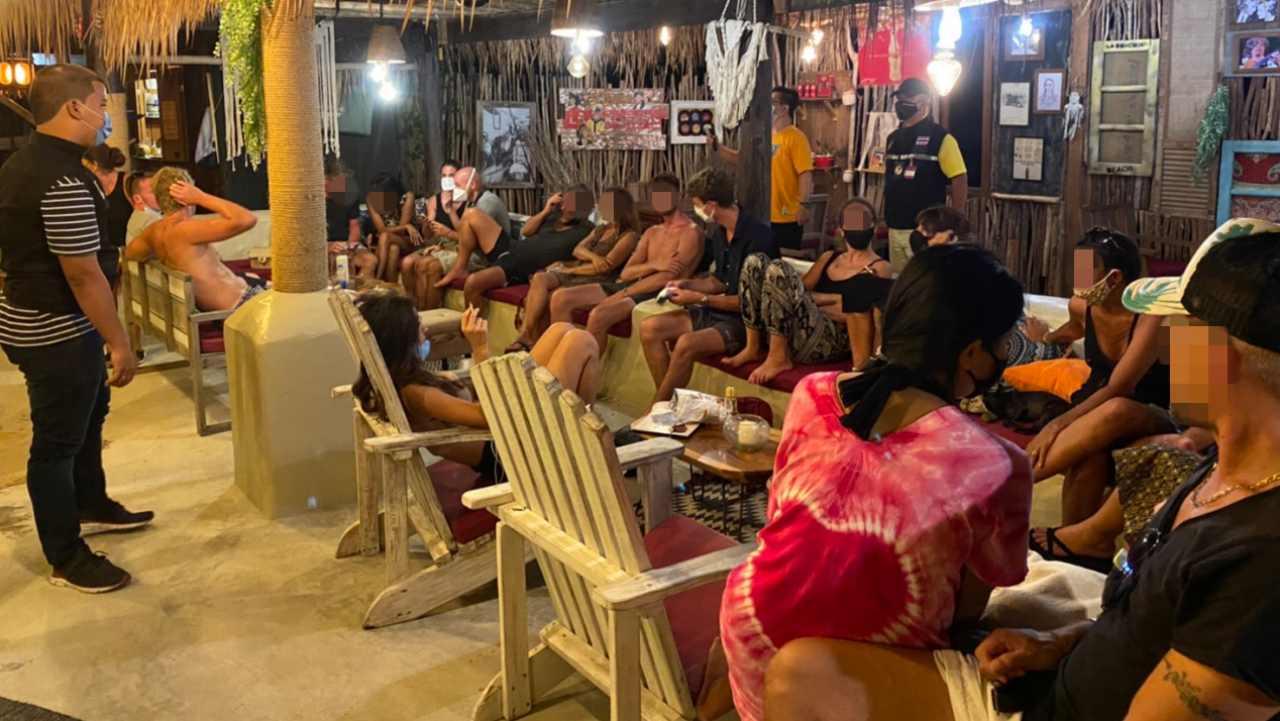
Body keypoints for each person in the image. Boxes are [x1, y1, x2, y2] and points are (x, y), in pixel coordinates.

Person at [762, 220, 1280, 721]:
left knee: (796, 673)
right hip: (1058, 673)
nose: (1166, 346)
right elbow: (1145, 625)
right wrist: (1057, 643)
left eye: (1180, 331)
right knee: (803, 667)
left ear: (1221, 358)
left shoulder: (1260, 561)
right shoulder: (1218, 477)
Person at [711, 244, 1031, 721]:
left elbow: (782, 520)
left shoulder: (812, 392)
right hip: (842, 680)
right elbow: (963, 617)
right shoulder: (997, 464)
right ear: (971, 352)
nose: (1004, 355)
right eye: (1003, 344)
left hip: (751, 631)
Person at [0, 64, 148, 594]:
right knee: (57, 442)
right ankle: (66, 556)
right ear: (74, 108)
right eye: (102, 105)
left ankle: (90, 501)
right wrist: (119, 341)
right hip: (55, 329)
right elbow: (82, 273)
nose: (105, 117)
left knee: (88, 416)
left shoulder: (23, 164)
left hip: (37, 320)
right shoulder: (62, 178)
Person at [352, 294, 601, 477]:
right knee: (580, 342)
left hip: (507, 433)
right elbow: (487, 417)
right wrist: (480, 348)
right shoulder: (417, 393)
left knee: (560, 329)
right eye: (419, 324)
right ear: (402, 339)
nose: (425, 329)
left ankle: (582, 441)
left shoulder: (407, 379)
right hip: (509, 453)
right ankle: (584, 446)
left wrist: (453, 379)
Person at [1025, 229, 1175, 527]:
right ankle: (1072, 541)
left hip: (1144, 411)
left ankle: (1007, 480)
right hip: (1093, 405)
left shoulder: (1152, 316)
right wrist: (1045, 337)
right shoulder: (1081, 307)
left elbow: (1120, 387)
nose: (1077, 279)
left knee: (1116, 408)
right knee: (1092, 454)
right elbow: (1073, 329)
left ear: (1114, 278)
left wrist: (1057, 425)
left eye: (1085, 271)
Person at [638, 167, 779, 403]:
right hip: (719, 309)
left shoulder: (759, 238)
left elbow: (751, 304)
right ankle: (671, 405)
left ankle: (657, 409)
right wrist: (688, 284)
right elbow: (719, 281)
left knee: (686, 344)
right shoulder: (720, 233)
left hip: (747, 323)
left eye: (696, 204)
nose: (696, 210)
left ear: (711, 205)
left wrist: (699, 299)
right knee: (650, 328)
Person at [722, 198, 892, 385]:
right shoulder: (829, 257)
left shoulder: (879, 267)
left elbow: (855, 313)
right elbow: (794, 290)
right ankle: (752, 346)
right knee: (755, 261)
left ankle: (778, 358)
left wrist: (813, 300)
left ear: (873, 227)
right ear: (842, 229)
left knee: (778, 269)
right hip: (799, 325)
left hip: (831, 339)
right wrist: (831, 299)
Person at [534, 174, 703, 354]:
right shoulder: (652, 232)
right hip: (630, 284)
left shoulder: (690, 233)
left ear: (678, 195)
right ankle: (556, 356)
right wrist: (654, 264)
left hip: (658, 292)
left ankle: (581, 366)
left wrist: (625, 292)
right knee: (561, 298)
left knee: (599, 315)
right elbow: (627, 272)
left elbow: (668, 277)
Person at [508, 186, 646, 351]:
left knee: (554, 296)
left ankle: (556, 350)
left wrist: (569, 270)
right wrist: (594, 257)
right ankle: (526, 335)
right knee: (540, 278)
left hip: (598, 278)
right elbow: (577, 250)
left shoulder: (629, 236)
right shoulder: (601, 229)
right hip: (580, 269)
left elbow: (605, 267)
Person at [123, 167, 261, 312]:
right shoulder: (185, 230)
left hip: (235, 303)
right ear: (187, 197)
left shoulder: (154, 231)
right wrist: (201, 197)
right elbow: (247, 219)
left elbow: (130, 253)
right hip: (240, 307)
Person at [710, 86, 816, 251]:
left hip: (786, 216)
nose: (767, 105)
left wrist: (804, 205)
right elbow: (744, 161)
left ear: (784, 108)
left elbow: (805, 175)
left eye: (772, 102)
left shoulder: (796, 138)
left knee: (784, 260)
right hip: (761, 213)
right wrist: (718, 147)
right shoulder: (766, 137)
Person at [883, 77, 969, 273]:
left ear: (923, 102)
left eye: (906, 99)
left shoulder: (941, 138)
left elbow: (959, 177)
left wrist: (955, 219)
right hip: (895, 225)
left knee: (926, 281)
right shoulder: (892, 138)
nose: (900, 104)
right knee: (900, 282)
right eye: (899, 99)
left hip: (926, 231)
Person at [461, 185, 595, 310]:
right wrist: (546, 210)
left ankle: (473, 326)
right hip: (511, 249)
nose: (564, 207)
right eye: (564, 202)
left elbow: (584, 259)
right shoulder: (553, 216)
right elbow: (526, 231)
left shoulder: (587, 230)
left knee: (473, 282)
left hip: (519, 267)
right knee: (472, 214)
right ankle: (459, 268)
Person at [434, 166, 514, 289]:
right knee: (422, 261)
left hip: (489, 258)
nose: (453, 189)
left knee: (431, 266)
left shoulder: (487, 202)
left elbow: (471, 241)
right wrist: (450, 210)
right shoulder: (471, 202)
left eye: (457, 185)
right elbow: (463, 232)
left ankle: (459, 270)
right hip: (475, 254)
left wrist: (448, 233)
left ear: (472, 185)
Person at [401, 159, 462, 309]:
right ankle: (412, 306)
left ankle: (426, 309)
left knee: (424, 265)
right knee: (406, 262)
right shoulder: (434, 200)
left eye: (451, 175)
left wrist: (448, 229)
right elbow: (428, 236)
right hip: (438, 243)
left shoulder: (465, 199)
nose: (447, 179)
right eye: (444, 175)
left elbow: (466, 236)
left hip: (457, 245)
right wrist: (426, 224)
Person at [81, 144, 129, 288]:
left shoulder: (126, 182)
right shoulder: (89, 187)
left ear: (94, 165)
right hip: (103, 258)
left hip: (128, 257)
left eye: (84, 165)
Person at [361, 173, 421, 284]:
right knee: (393, 248)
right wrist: (405, 226)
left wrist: (403, 227)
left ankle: (377, 279)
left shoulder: (407, 198)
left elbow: (401, 232)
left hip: (408, 240)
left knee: (385, 236)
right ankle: (390, 286)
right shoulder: (370, 198)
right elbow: (380, 228)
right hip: (385, 241)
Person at [324, 156, 376, 282]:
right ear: (325, 180)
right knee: (334, 260)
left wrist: (349, 247)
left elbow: (354, 226)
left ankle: (357, 291)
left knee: (370, 260)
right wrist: (326, 247)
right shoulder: (311, 200)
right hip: (322, 245)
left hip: (345, 243)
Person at [123, 170, 161, 243]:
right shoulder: (149, 221)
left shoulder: (138, 216)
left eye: (159, 190)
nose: (160, 194)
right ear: (137, 199)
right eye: (153, 191)